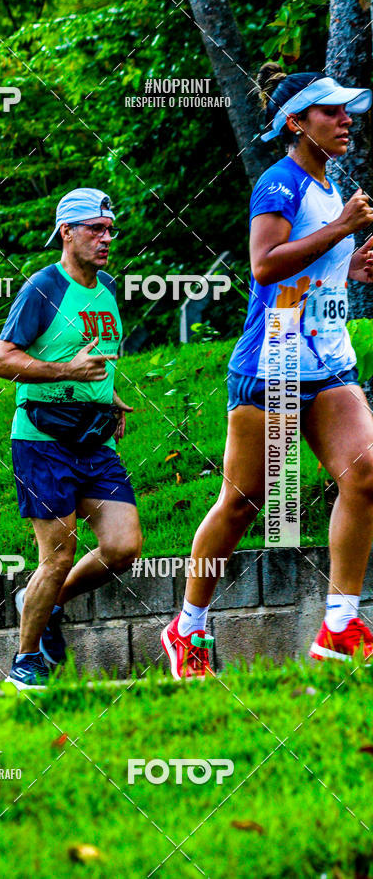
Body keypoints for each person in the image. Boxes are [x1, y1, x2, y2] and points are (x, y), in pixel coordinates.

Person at [161, 63, 373, 679]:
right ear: (295, 123)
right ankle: (188, 627)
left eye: (346, 111)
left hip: (329, 361)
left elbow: (309, 271)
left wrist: (350, 266)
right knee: (244, 501)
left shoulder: (330, 185)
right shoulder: (280, 185)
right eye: (331, 112)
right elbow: (263, 266)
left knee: (365, 475)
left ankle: (338, 625)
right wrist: (341, 229)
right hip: (274, 363)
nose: (345, 121)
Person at [0, 188, 143, 689]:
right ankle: (25, 662)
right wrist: (64, 371)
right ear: (67, 232)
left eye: (110, 229)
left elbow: (97, 355)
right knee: (55, 556)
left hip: (94, 441)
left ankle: (46, 602)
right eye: (95, 229)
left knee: (123, 547)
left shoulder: (107, 288)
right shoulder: (42, 289)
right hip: (42, 441)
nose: (106, 238)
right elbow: (2, 361)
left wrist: (108, 397)